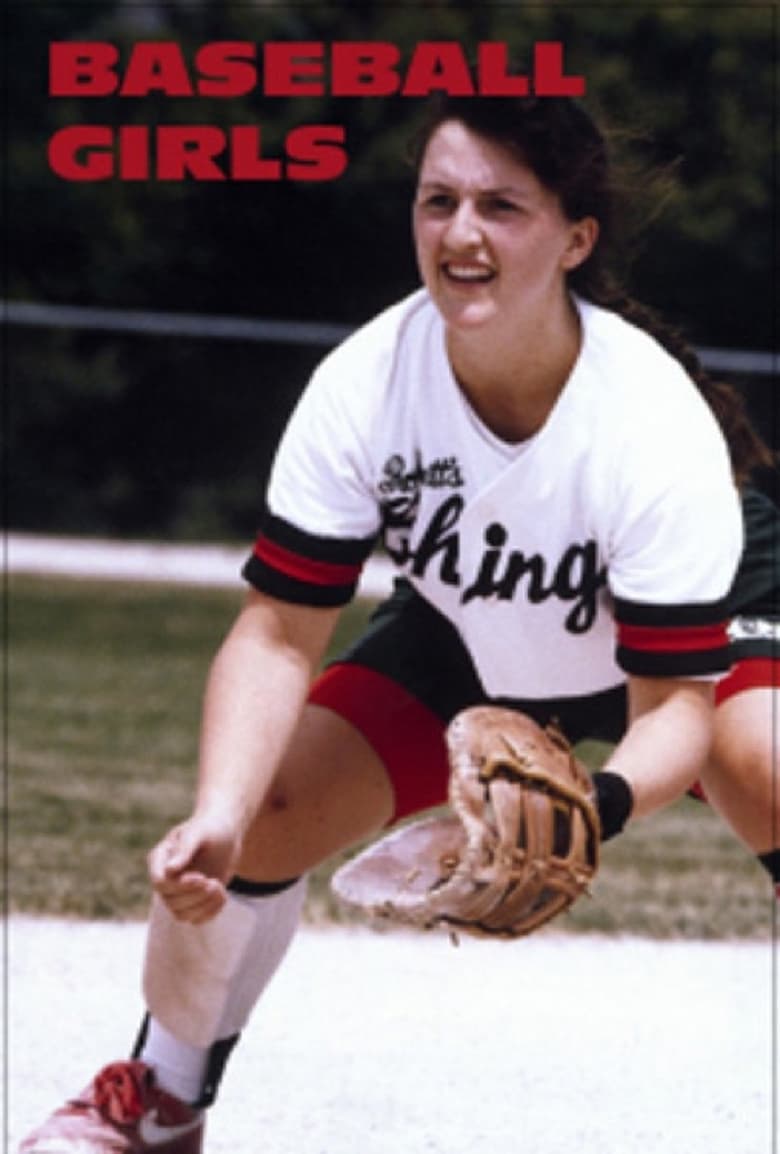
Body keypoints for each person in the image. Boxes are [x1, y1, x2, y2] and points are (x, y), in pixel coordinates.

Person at [20, 94, 777, 1153]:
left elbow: (674, 706)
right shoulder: (369, 380)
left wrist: (592, 806)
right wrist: (221, 809)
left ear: (575, 239)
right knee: (274, 800)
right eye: (439, 200)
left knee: (768, 764)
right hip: (473, 631)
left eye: (502, 206)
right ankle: (159, 1099)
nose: (461, 233)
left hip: (681, 636)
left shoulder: (648, 425)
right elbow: (278, 631)